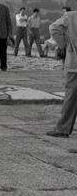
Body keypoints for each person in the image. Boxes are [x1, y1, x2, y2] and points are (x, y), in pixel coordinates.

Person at [46, 9, 77, 137]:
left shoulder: (70, 16)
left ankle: (63, 129)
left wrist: (63, 44)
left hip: (74, 62)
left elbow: (53, 28)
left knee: (71, 97)